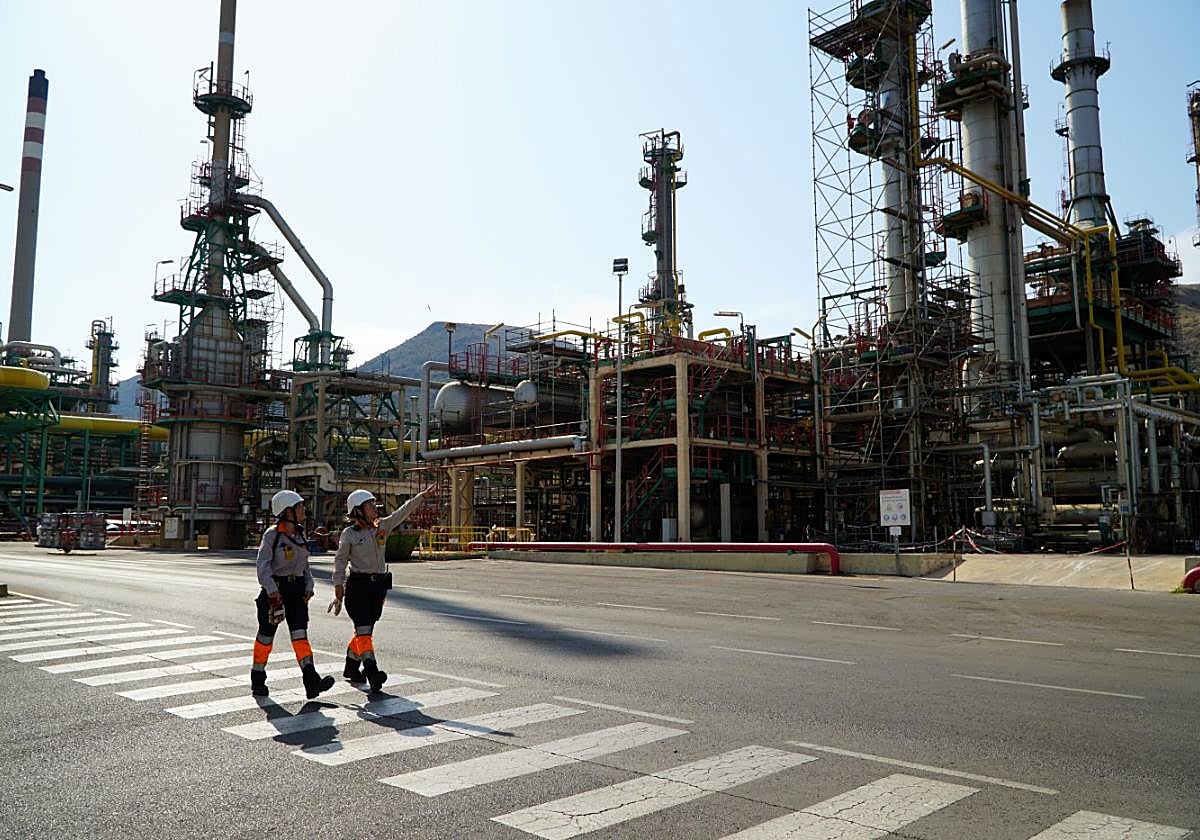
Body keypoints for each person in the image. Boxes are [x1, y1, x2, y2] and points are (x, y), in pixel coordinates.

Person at [330, 487, 430, 692]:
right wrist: (338, 585)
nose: (375, 508)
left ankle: (351, 667)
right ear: (358, 510)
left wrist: (422, 497)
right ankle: (372, 671)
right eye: (370, 505)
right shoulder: (349, 534)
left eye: (374, 504)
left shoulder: (382, 526)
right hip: (358, 586)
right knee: (364, 630)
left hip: (377, 587)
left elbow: (402, 512)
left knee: (365, 630)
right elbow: (340, 561)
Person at [250, 490, 336, 700]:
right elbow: (263, 566)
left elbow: (304, 566)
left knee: (300, 636)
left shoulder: (299, 535)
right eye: (299, 506)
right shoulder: (272, 535)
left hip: (296, 591)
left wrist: (309, 585)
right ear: (287, 511)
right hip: (275, 591)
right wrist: (272, 593)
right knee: (265, 636)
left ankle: (311, 681)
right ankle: (258, 678)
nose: (303, 509)